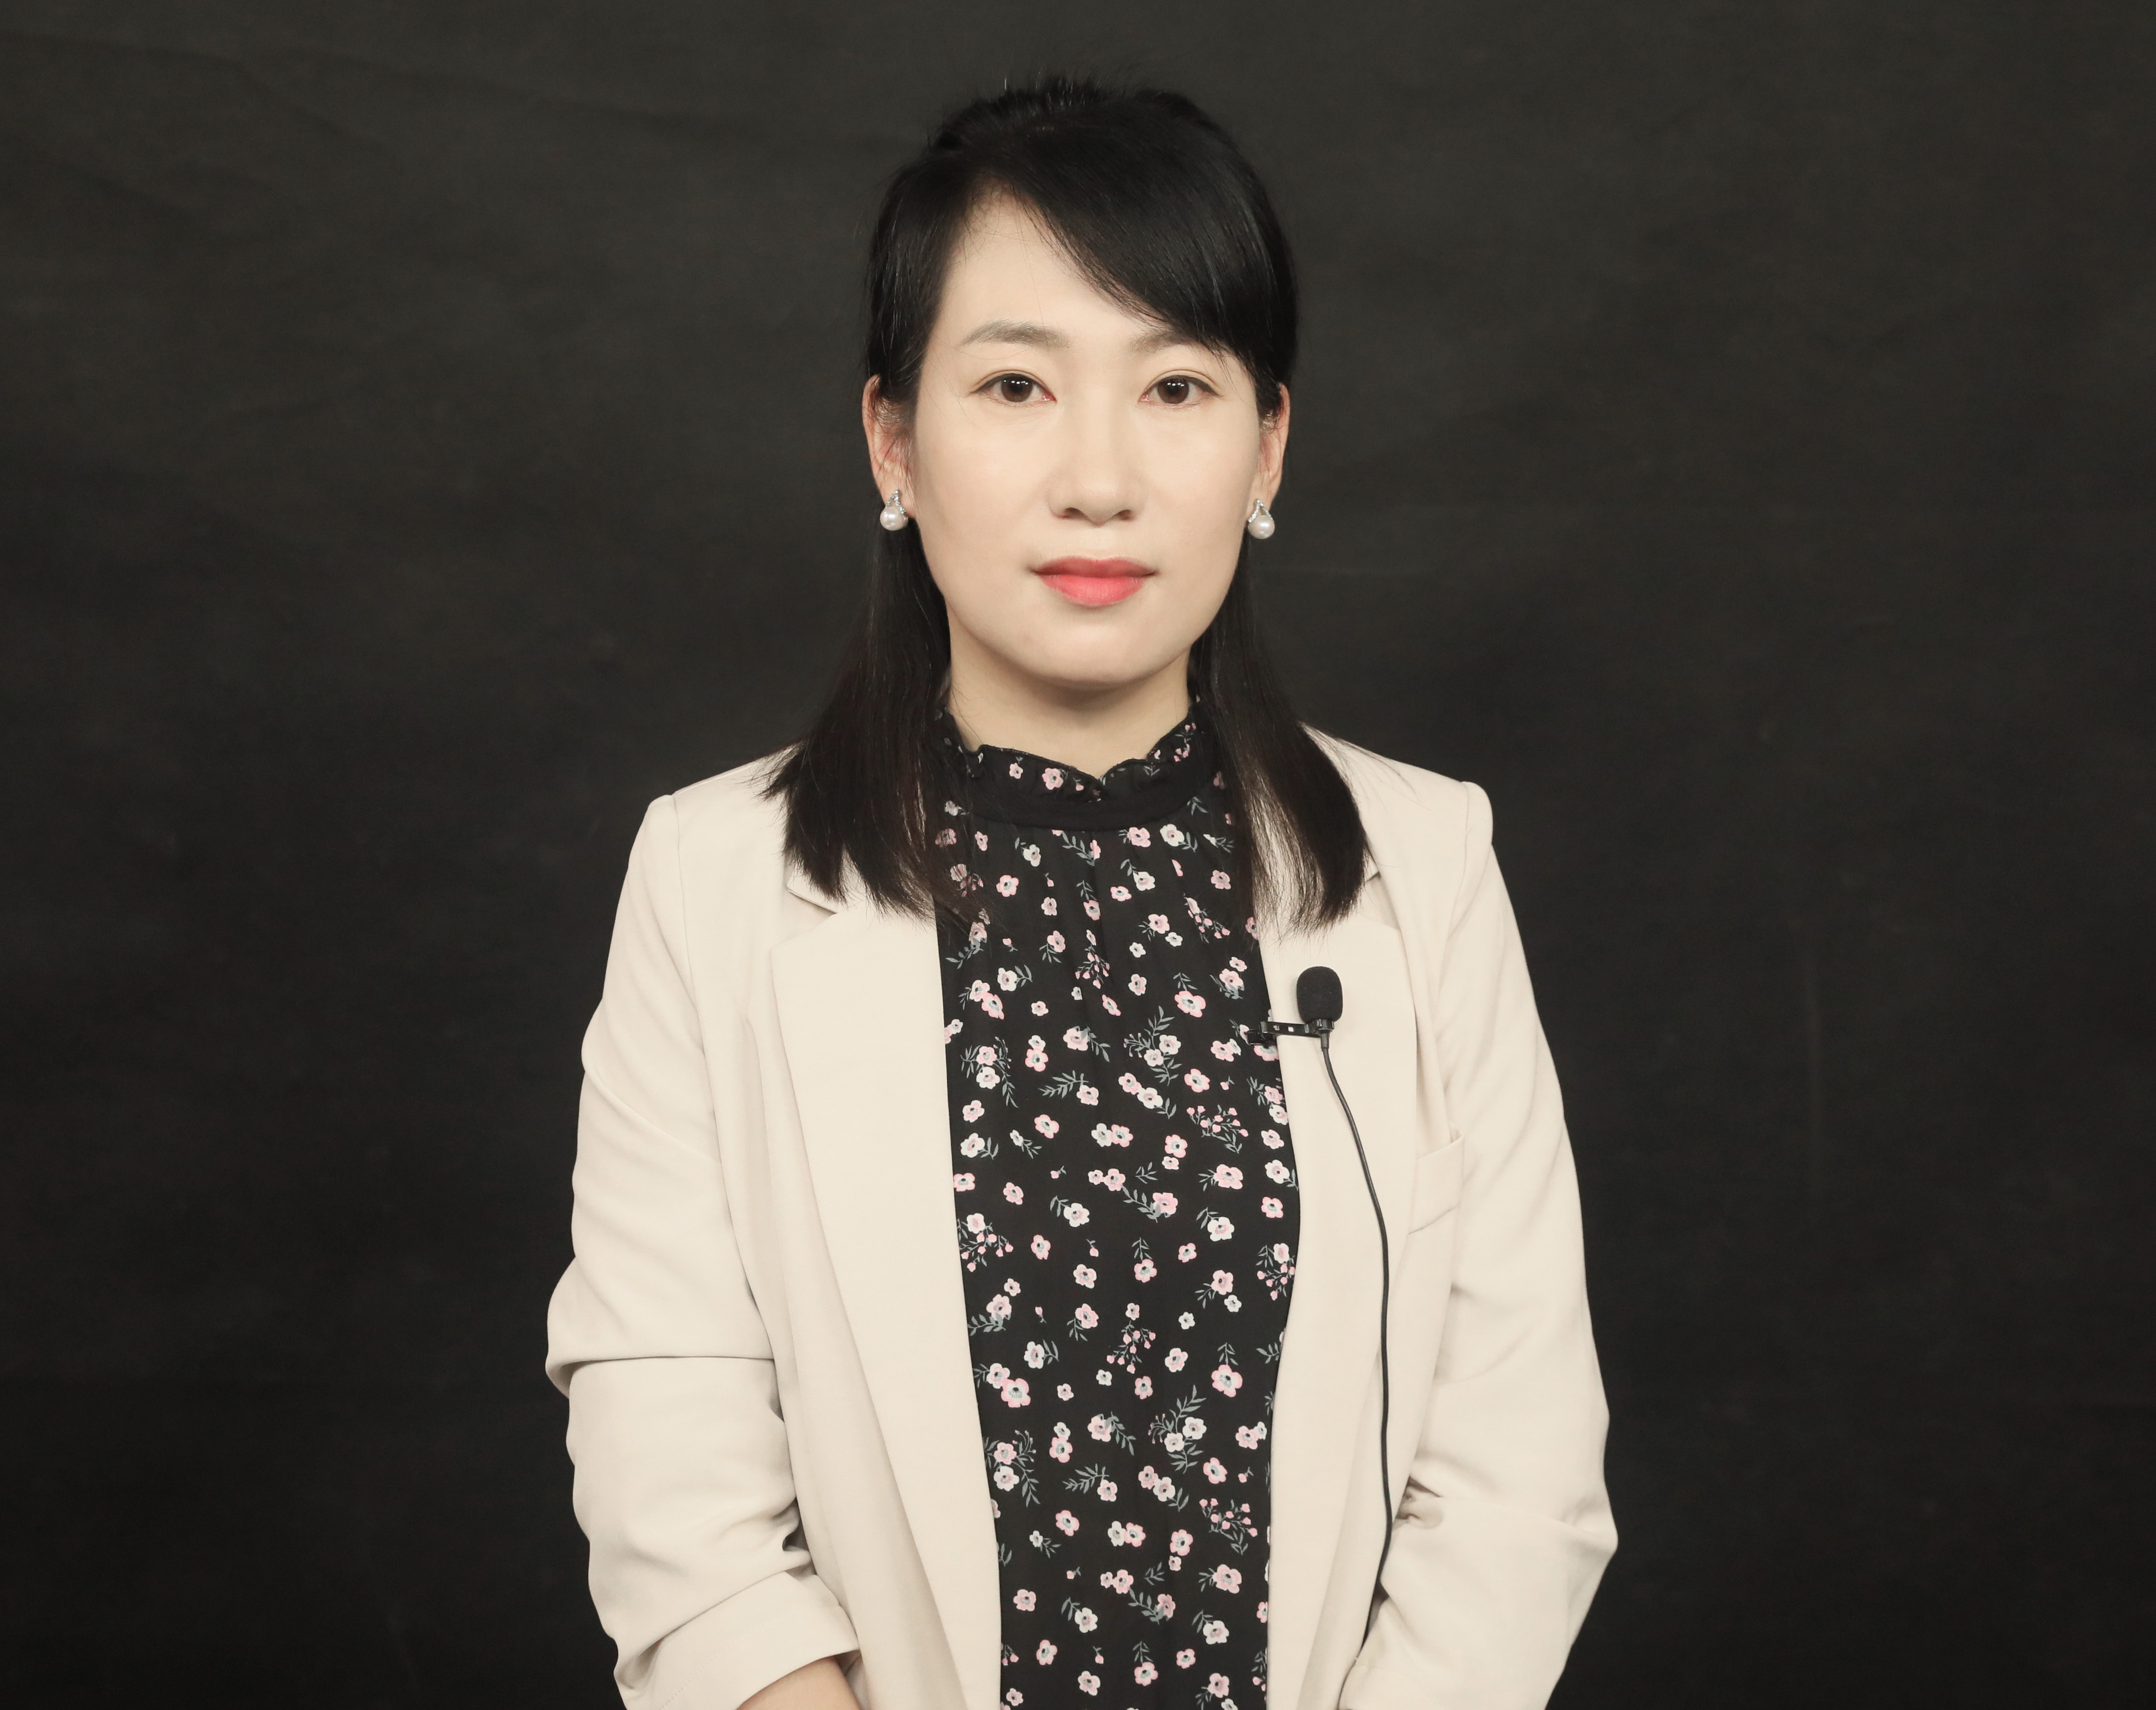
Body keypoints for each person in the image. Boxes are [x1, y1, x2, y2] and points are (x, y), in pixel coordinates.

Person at [545, 77, 1614, 1710]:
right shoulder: (713, 881)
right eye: (1016, 385)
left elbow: (1517, 1473)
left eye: (1176, 386)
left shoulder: (1428, 864)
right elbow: (672, 1462)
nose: (1098, 477)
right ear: (893, 440)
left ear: (1268, 445)